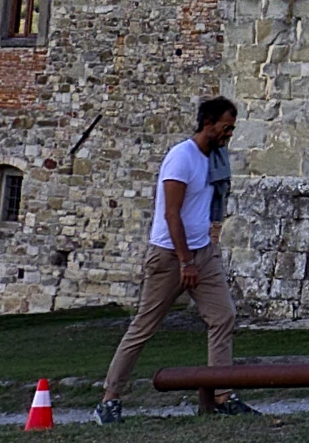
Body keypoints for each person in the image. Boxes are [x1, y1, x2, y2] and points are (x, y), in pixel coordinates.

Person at [95, 97, 254, 423]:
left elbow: (211, 203)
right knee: (143, 327)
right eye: (226, 128)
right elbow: (171, 214)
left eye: (232, 129)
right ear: (208, 123)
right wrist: (185, 262)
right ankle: (109, 400)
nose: (229, 135)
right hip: (170, 256)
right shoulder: (180, 158)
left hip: (203, 252)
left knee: (223, 316)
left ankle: (222, 394)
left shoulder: (216, 159)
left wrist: (208, 244)